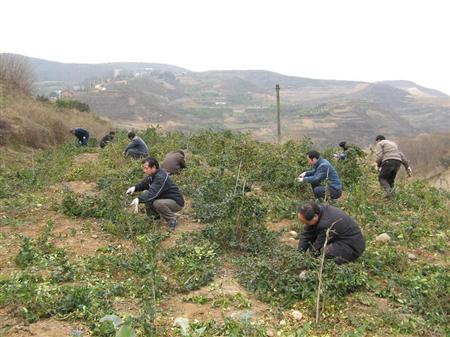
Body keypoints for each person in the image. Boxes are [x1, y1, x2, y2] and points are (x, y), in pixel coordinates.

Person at [297, 201, 365, 264]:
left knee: (325, 253)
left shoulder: (326, 223)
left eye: (305, 222)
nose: (304, 224)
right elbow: (307, 233)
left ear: (315, 216)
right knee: (312, 232)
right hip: (339, 237)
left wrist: (309, 259)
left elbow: (317, 247)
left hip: (351, 247)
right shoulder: (319, 210)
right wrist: (299, 253)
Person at [126, 157, 184, 230]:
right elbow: (144, 184)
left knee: (157, 203)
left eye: (146, 168)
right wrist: (135, 188)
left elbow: (152, 193)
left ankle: (172, 219)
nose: (144, 170)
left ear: (153, 167)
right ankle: (154, 218)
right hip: (165, 198)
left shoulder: (160, 177)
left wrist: (139, 199)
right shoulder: (152, 175)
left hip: (176, 202)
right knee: (146, 193)